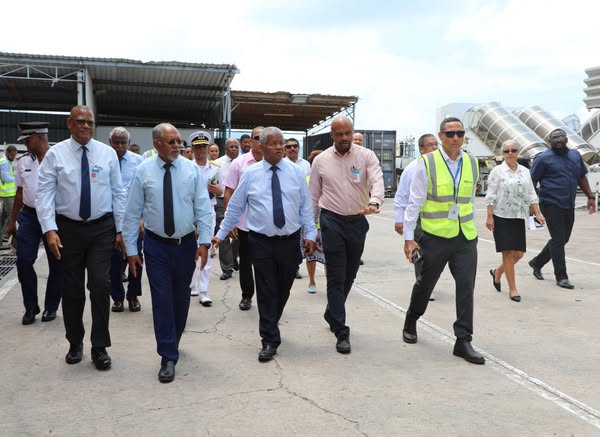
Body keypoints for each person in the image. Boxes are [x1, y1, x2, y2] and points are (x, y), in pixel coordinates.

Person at [213, 127, 316, 362]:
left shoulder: (296, 173)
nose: (279, 147)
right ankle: (269, 339)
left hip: (290, 241)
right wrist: (220, 234)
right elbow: (236, 206)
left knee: (284, 287)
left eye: (282, 143)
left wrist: (310, 234)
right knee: (267, 290)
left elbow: (305, 207)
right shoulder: (251, 174)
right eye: (274, 143)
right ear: (261, 146)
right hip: (261, 241)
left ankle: (272, 319)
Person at [36, 105, 126, 371]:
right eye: (80, 122)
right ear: (69, 124)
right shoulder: (56, 154)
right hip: (68, 230)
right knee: (72, 289)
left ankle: (99, 347)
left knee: (100, 284)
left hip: (101, 229)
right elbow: (44, 194)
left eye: (90, 122)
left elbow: (118, 193)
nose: (86, 126)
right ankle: (75, 342)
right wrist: (49, 229)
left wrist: (120, 230)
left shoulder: (106, 153)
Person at [123, 123, 212, 383]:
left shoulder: (191, 170)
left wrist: (205, 242)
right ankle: (167, 354)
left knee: (181, 297)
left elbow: (204, 208)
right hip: (156, 245)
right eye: (171, 142)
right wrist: (131, 249)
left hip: (185, 245)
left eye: (178, 141)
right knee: (162, 298)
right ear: (157, 144)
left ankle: (174, 338)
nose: (177, 146)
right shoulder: (143, 172)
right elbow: (131, 213)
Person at [401, 117, 484, 365]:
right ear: (441, 136)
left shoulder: (472, 162)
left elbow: (469, 199)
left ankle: (463, 340)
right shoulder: (427, 163)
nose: (456, 138)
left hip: (465, 236)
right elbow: (414, 202)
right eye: (450, 134)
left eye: (460, 133)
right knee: (425, 284)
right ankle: (411, 319)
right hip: (435, 236)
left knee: (466, 287)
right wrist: (409, 238)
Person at [309, 115, 384, 354]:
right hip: (331, 221)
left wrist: (374, 201)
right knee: (336, 276)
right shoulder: (320, 161)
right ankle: (341, 331)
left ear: (353, 133)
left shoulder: (366, 155)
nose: (344, 138)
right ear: (332, 135)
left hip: (357, 221)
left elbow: (377, 179)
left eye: (347, 134)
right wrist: (311, 230)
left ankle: (332, 311)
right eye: (339, 134)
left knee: (350, 274)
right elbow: (313, 197)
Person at [8, 122, 62, 325]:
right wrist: (12, 221)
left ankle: (51, 307)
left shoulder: (58, 158)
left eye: (28, 140)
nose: (25, 144)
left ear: (40, 137)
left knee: (57, 263)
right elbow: (20, 192)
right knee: (23, 261)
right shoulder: (23, 162)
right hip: (29, 217)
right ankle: (30, 307)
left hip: (55, 217)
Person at [527, 128, 596, 289]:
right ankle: (561, 277)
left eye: (561, 137)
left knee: (563, 239)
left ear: (566, 139)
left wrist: (590, 197)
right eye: (554, 138)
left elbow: (581, 177)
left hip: (568, 204)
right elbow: (531, 181)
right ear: (549, 141)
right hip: (550, 203)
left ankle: (536, 262)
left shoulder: (575, 155)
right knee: (558, 239)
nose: (558, 140)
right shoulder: (543, 158)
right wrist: (533, 204)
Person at [485, 141, 544, 302]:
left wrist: (537, 212)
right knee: (508, 252)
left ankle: (497, 272)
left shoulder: (525, 171)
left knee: (519, 254)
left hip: (519, 215)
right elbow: (490, 195)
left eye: (513, 150)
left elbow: (532, 193)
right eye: (506, 151)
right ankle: (513, 289)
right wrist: (489, 216)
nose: (510, 153)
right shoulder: (497, 171)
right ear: (502, 154)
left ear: (518, 152)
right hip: (501, 216)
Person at [223, 126, 264, 311]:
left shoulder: (278, 163)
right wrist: (229, 221)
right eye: (257, 137)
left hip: (268, 225)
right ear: (250, 141)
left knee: (266, 264)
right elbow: (229, 192)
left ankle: (267, 297)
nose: (260, 140)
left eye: (264, 137)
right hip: (245, 224)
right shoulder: (239, 164)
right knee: (246, 262)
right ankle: (247, 295)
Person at [393, 133, 439, 300]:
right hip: (417, 217)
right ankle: (423, 286)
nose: (434, 148)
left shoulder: (442, 167)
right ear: (421, 149)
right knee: (421, 252)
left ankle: (427, 283)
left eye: (436, 144)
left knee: (435, 254)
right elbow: (401, 196)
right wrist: (399, 220)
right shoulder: (412, 169)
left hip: (436, 218)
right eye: (430, 145)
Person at [108, 127, 144, 313]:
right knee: (113, 261)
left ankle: (133, 295)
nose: (120, 146)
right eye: (116, 142)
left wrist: (142, 218)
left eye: (124, 142)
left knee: (135, 256)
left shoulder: (138, 162)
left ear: (129, 143)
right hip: (109, 220)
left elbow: (146, 192)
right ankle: (118, 298)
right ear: (110, 143)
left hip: (133, 219)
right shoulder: (105, 160)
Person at [188, 131, 223, 305]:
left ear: (208, 148)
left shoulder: (216, 168)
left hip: (208, 211)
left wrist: (219, 191)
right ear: (192, 149)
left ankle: (204, 291)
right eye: (198, 147)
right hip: (189, 212)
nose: (201, 150)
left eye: (204, 146)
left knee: (206, 249)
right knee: (190, 250)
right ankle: (192, 284)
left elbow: (222, 189)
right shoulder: (186, 167)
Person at [284, 137, 311, 281]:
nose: (292, 149)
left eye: (295, 146)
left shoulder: (306, 165)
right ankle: (292, 267)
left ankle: (296, 266)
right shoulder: (281, 164)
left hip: (303, 206)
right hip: (288, 207)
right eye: (289, 147)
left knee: (301, 239)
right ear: (285, 149)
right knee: (290, 239)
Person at [213, 138, 240, 280]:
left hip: (241, 203)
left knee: (240, 234)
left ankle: (233, 256)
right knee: (222, 234)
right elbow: (213, 182)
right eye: (231, 147)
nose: (234, 149)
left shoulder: (244, 163)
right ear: (225, 148)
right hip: (222, 200)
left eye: (236, 146)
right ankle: (227, 268)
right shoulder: (217, 163)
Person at [0, 144, 18, 246]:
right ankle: (10, 240)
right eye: (12, 156)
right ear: (7, 153)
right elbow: (6, 178)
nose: (14, 158)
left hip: (7, 193)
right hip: (7, 194)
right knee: (12, 217)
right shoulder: (4, 163)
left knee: (3, 217)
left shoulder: (6, 161)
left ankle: (3, 240)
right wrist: (19, 178)